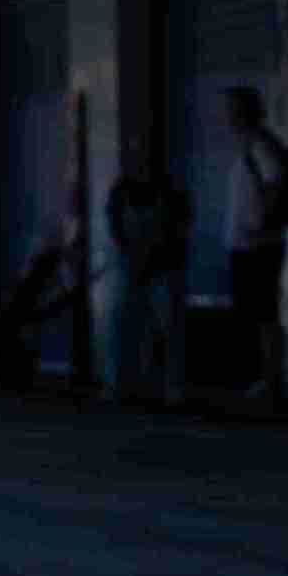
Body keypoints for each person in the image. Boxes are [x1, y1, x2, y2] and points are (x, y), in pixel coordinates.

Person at [105, 143, 190, 405]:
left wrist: (161, 254)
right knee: (124, 325)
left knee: (169, 328)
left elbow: (181, 228)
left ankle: (172, 388)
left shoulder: (171, 191)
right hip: (132, 267)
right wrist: (130, 254)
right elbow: (115, 227)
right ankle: (123, 385)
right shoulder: (122, 191)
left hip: (163, 268)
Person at [224, 84, 288, 404]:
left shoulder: (259, 146)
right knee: (253, 312)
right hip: (245, 243)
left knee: (264, 312)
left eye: (233, 108)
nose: (227, 115)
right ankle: (257, 377)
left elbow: (274, 185)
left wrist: (261, 223)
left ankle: (270, 379)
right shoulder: (244, 146)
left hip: (258, 243)